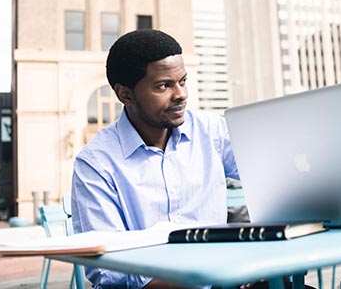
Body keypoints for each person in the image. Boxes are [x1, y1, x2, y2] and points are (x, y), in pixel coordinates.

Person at [71, 29, 239, 289]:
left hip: (225, 278)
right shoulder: (95, 164)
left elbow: (270, 175)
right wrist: (213, 277)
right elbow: (110, 273)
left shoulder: (211, 130)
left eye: (182, 81)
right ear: (125, 95)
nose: (181, 94)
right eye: (164, 85)